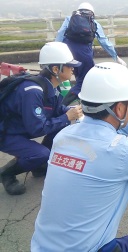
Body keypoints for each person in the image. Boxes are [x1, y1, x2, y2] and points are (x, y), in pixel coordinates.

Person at [31, 62, 128, 252]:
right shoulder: (122, 151)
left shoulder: (63, 137)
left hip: (41, 247)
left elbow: (102, 146)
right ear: (120, 109)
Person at [0, 42, 84, 195]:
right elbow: (37, 128)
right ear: (55, 69)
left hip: (20, 127)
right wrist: (66, 116)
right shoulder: (33, 92)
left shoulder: (51, 86)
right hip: (6, 133)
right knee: (41, 153)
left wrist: (72, 112)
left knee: (64, 123)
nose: (73, 69)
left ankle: (38, 165)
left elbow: (57, 110)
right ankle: (6, 173)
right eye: (69, 65)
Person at [55, 2, 127, 106]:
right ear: (92, 13)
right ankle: (63, 105)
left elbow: (60, 33)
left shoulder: (69, 19)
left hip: (67, 53)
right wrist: (116, 57)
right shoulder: (94, 23)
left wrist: (56, 50)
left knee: (60, 77)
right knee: (84, 81)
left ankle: (77, 103)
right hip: (84, 54)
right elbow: (104, 42)